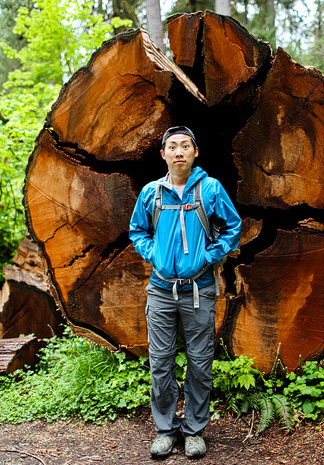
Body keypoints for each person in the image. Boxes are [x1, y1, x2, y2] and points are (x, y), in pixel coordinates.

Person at [129, 126, 242, 458]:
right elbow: (137, 230)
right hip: (161, 291)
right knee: (161, 364)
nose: (179, 152)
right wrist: (156, 257)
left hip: (199, 291)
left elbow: (232, 227)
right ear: (163, 154)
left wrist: (207, 258)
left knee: (200, 363)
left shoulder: (210, 189)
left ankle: (194, 431)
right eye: (172, 147)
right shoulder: (152, 193)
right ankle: (166, 430)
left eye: (185, 146)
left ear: (195, 152)